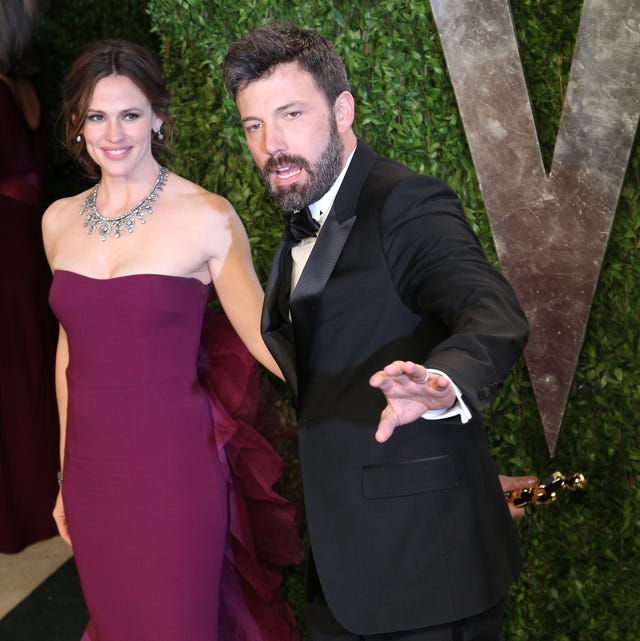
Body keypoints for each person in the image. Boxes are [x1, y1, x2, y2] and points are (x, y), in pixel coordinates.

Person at [222, 22, 531, 641]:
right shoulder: (303, 215)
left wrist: (445, 382)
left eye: (290, 114)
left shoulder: (405, 204)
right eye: (254, 125)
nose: (272, 144)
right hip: (344, 571)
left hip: (425, 571)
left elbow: (492, 310)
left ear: (343, 110)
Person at [42, 39, 301, 641]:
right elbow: (68, 352)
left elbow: (269, 342)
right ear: (77, 124)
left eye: (130, 114)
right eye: (97, 116)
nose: (114, 133)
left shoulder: (207, 216)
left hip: (174, 477)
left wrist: (365, 380)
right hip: (90, 478)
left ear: (158, 117)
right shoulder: (57, 221)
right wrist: (62, 476)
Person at [0, 0, 59, 553]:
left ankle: (17, 515)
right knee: (31, 375)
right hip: (27, 248)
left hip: (6, 250)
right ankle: (42, 500)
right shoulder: (24, 88)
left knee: (14, 381)